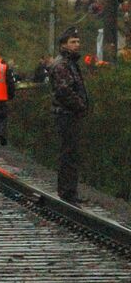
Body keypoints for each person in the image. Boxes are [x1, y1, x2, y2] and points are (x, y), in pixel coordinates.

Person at [49, 27, 90, 201]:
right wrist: (80, 106)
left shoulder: (70, 63)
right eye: (72, 42)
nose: (76, 45)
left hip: (70, 113)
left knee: (71, 153)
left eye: (78, 41)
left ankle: (70, 191)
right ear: (63, 44)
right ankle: (67, 192)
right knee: (68, 154)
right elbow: (63, 91)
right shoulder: (62, 64)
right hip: (66, 113)